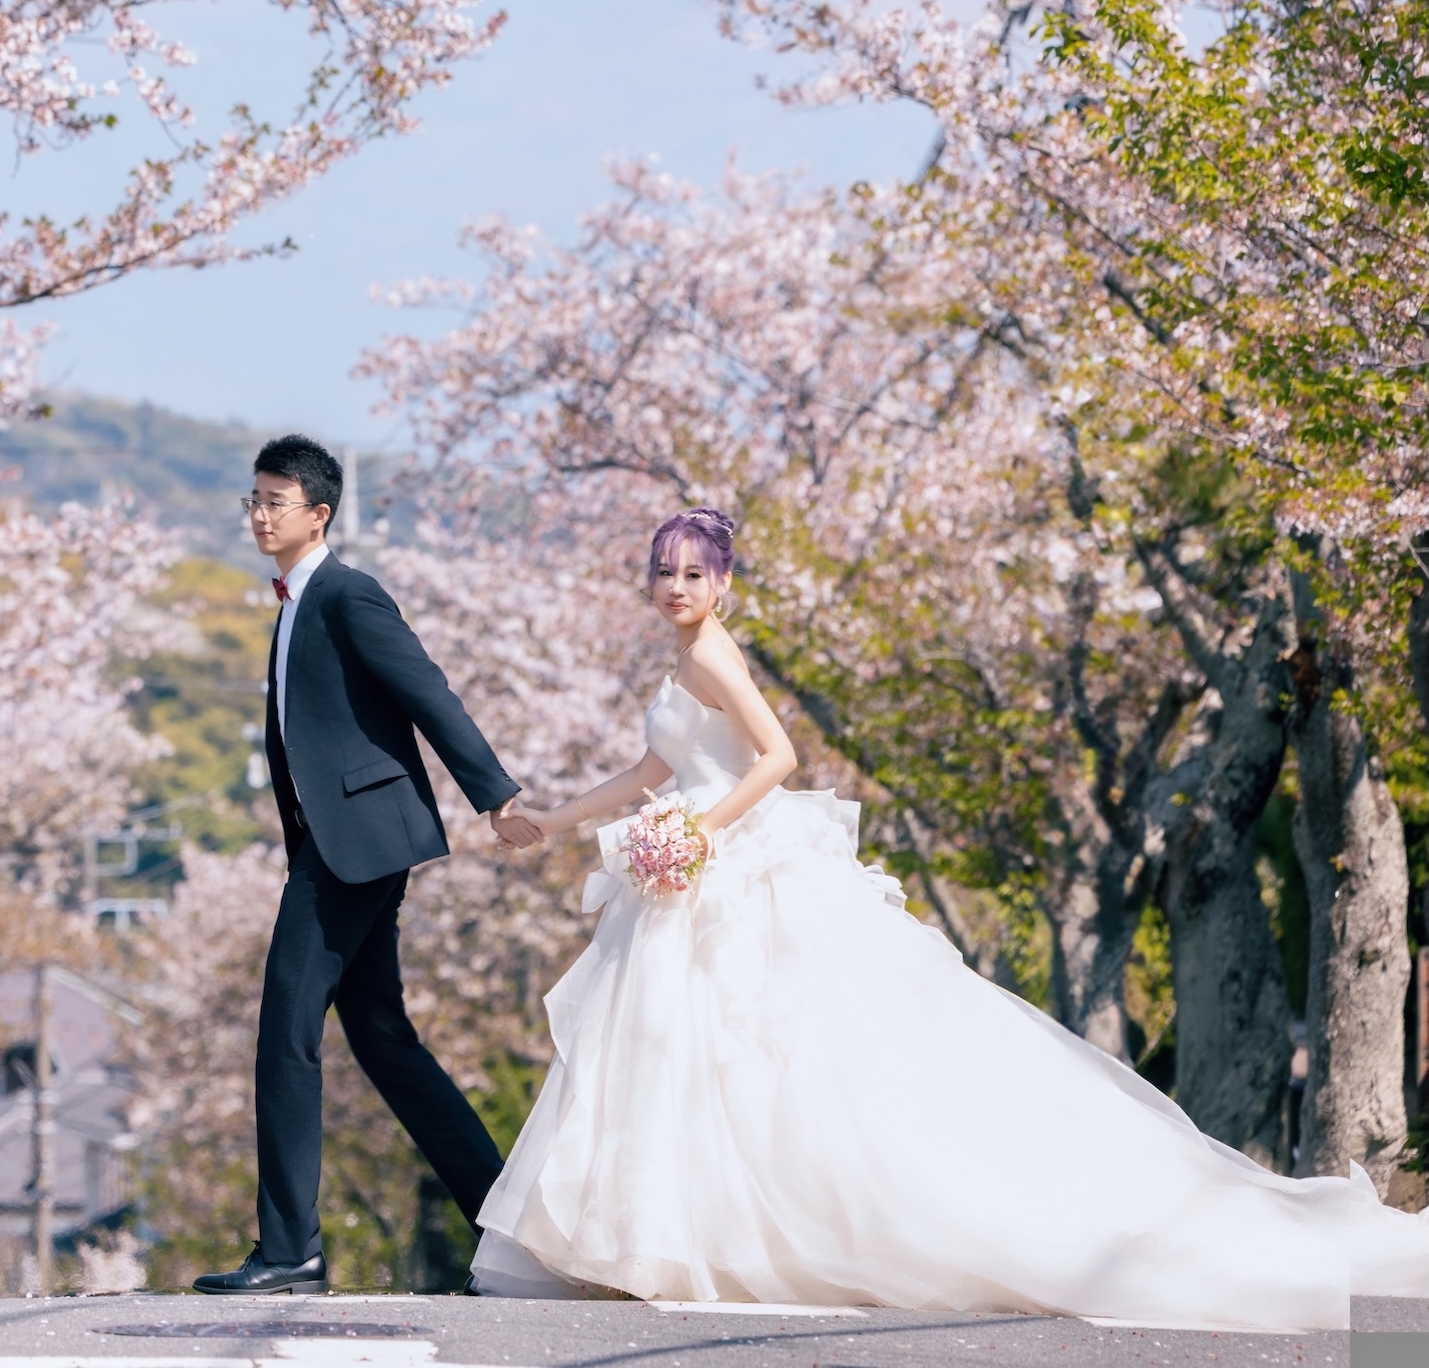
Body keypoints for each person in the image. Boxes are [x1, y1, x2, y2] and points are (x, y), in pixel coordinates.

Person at [474, 506, 1429, 1331]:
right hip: (692, 872)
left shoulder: (714, 654)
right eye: (663, 573)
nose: (676, 587)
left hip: (731, 869)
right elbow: (653, 773)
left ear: (722, 583)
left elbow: (777, 756)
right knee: (695, 1058)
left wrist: (695, 835)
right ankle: (684, 1240)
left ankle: (750, 1237)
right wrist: (554, 821)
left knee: (769, 1055)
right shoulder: (682, 661)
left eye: (694, 573)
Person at [193, 435, 532, 1296]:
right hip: (341, 844)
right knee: (383, 1041)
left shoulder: (346, 592)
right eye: (254, 500)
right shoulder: (292, 603)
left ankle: (290, 1251)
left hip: (360, 845)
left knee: (286, 1030)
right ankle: (511, 1235)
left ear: (319, 513)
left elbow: (426, 689)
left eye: (276, 501)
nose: (260, 515)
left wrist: (492, 793)